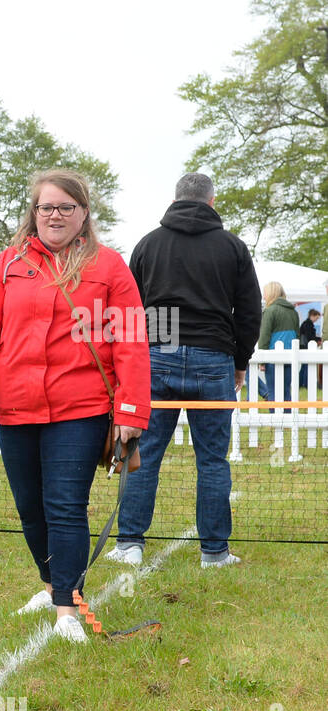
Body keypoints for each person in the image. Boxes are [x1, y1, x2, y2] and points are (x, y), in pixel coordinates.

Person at [0, 169, 150, 643]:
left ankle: (66, 610)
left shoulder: (110, 267)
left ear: (83, 213)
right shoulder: (8, 264)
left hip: (80, 409)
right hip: (16, 406)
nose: (54, 215)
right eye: (46, 207)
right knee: (30, 509)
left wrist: (131, 413)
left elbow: (131, 341)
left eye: (65, 207)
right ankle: (51, 583)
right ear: (33, 213)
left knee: (64, 507)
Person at [110, 172, 260, 571]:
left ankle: (129, 544)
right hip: (214, 357)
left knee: (143, 452)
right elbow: (249, 311)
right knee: (213, 459)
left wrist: (133, 359)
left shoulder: (148, 244)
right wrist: (239, 361)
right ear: (212, 202)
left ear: (176, 200)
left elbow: (128, 308)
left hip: (157, 352)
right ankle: (214, 552)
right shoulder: (232, 247)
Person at [256, 281, 301, 402]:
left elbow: (264, 336)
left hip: (272, 357)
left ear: (271, 294)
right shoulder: (293, 312)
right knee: (286, 391)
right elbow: (297, 335)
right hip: (290, 356)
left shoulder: (269, 311)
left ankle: (275, 419)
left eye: (265, 293)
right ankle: (287, 419)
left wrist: (262, 360)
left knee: (273, 392)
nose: (264, 296)